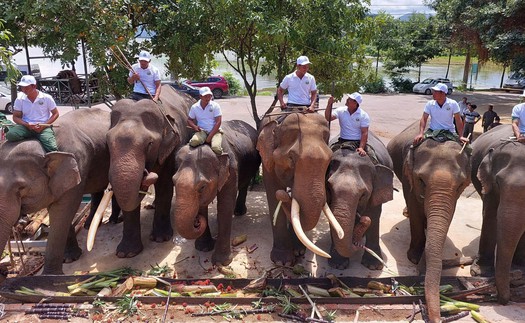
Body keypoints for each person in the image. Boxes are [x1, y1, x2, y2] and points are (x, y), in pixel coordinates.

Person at [6, 75, 59, 152]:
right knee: (10, 135)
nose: (23, 90)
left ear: (34, 86)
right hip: (26, 126)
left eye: (26, 87)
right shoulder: (20, 99)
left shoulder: (47, 98)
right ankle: (30, 135)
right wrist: (26, 124)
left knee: (52, 148)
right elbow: (15, 117)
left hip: (43, 126)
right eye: (22, 87)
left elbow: (55, 113)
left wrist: (43, 126)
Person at [325, 92, 377, 161]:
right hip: (342, 141)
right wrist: (329, 104)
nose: (347, 99)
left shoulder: (363, 115)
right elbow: (328, 118)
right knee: (327, 156)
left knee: (373, 158)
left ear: (355, 103)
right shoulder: (341, 110)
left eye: (350, 99)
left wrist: (361, 147)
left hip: (357, 142)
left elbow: (364, 132)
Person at [187, 87, 223, 155]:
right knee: (193, 142)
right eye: (205, 96)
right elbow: (189, 120)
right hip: (202, 131)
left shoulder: (215, 106)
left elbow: (218, 122)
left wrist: (210, 136)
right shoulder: (194, 107)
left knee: (216, 148)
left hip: (215, 131)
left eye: (209, 96)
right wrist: (194, 127)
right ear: (200, 96)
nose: (208, 98)